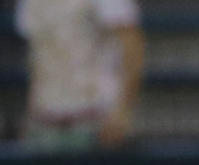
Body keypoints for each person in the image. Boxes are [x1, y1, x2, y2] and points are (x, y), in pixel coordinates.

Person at [14, 0, 144, 151]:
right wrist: (31, 114)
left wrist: (122, 112)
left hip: (96, 120)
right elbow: (37, 57)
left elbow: (132, 47)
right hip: (45, 121)